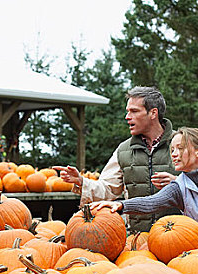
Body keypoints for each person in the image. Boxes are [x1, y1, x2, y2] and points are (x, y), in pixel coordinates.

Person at [54, 86, 180, 232]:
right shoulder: (123, 150)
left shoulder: (182, 143)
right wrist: (81, 182)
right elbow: (107, 188)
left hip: (178, 235)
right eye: (127, 111)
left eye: (134, 111)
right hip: (137, 237)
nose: (127, 117)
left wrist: (177, 182)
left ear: (153, 113)